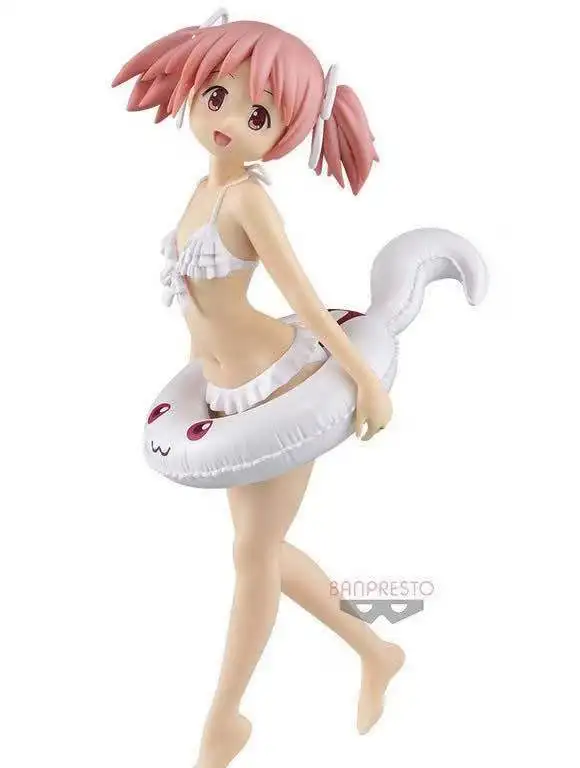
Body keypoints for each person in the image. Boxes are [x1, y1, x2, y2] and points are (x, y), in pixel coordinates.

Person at [113, 11, 403, 768]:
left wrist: (364, 379)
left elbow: (303, 297)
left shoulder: (248, 201)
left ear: (280, 134)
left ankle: (225, 720)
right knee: (260, 551)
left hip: (275, 384)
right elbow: (198, 307)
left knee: (253, 555)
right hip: (223, 392)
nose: (228, 120)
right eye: (217, 95)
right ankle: (376, 652)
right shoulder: (200, 190)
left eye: (258, 115)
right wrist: (200, 380)